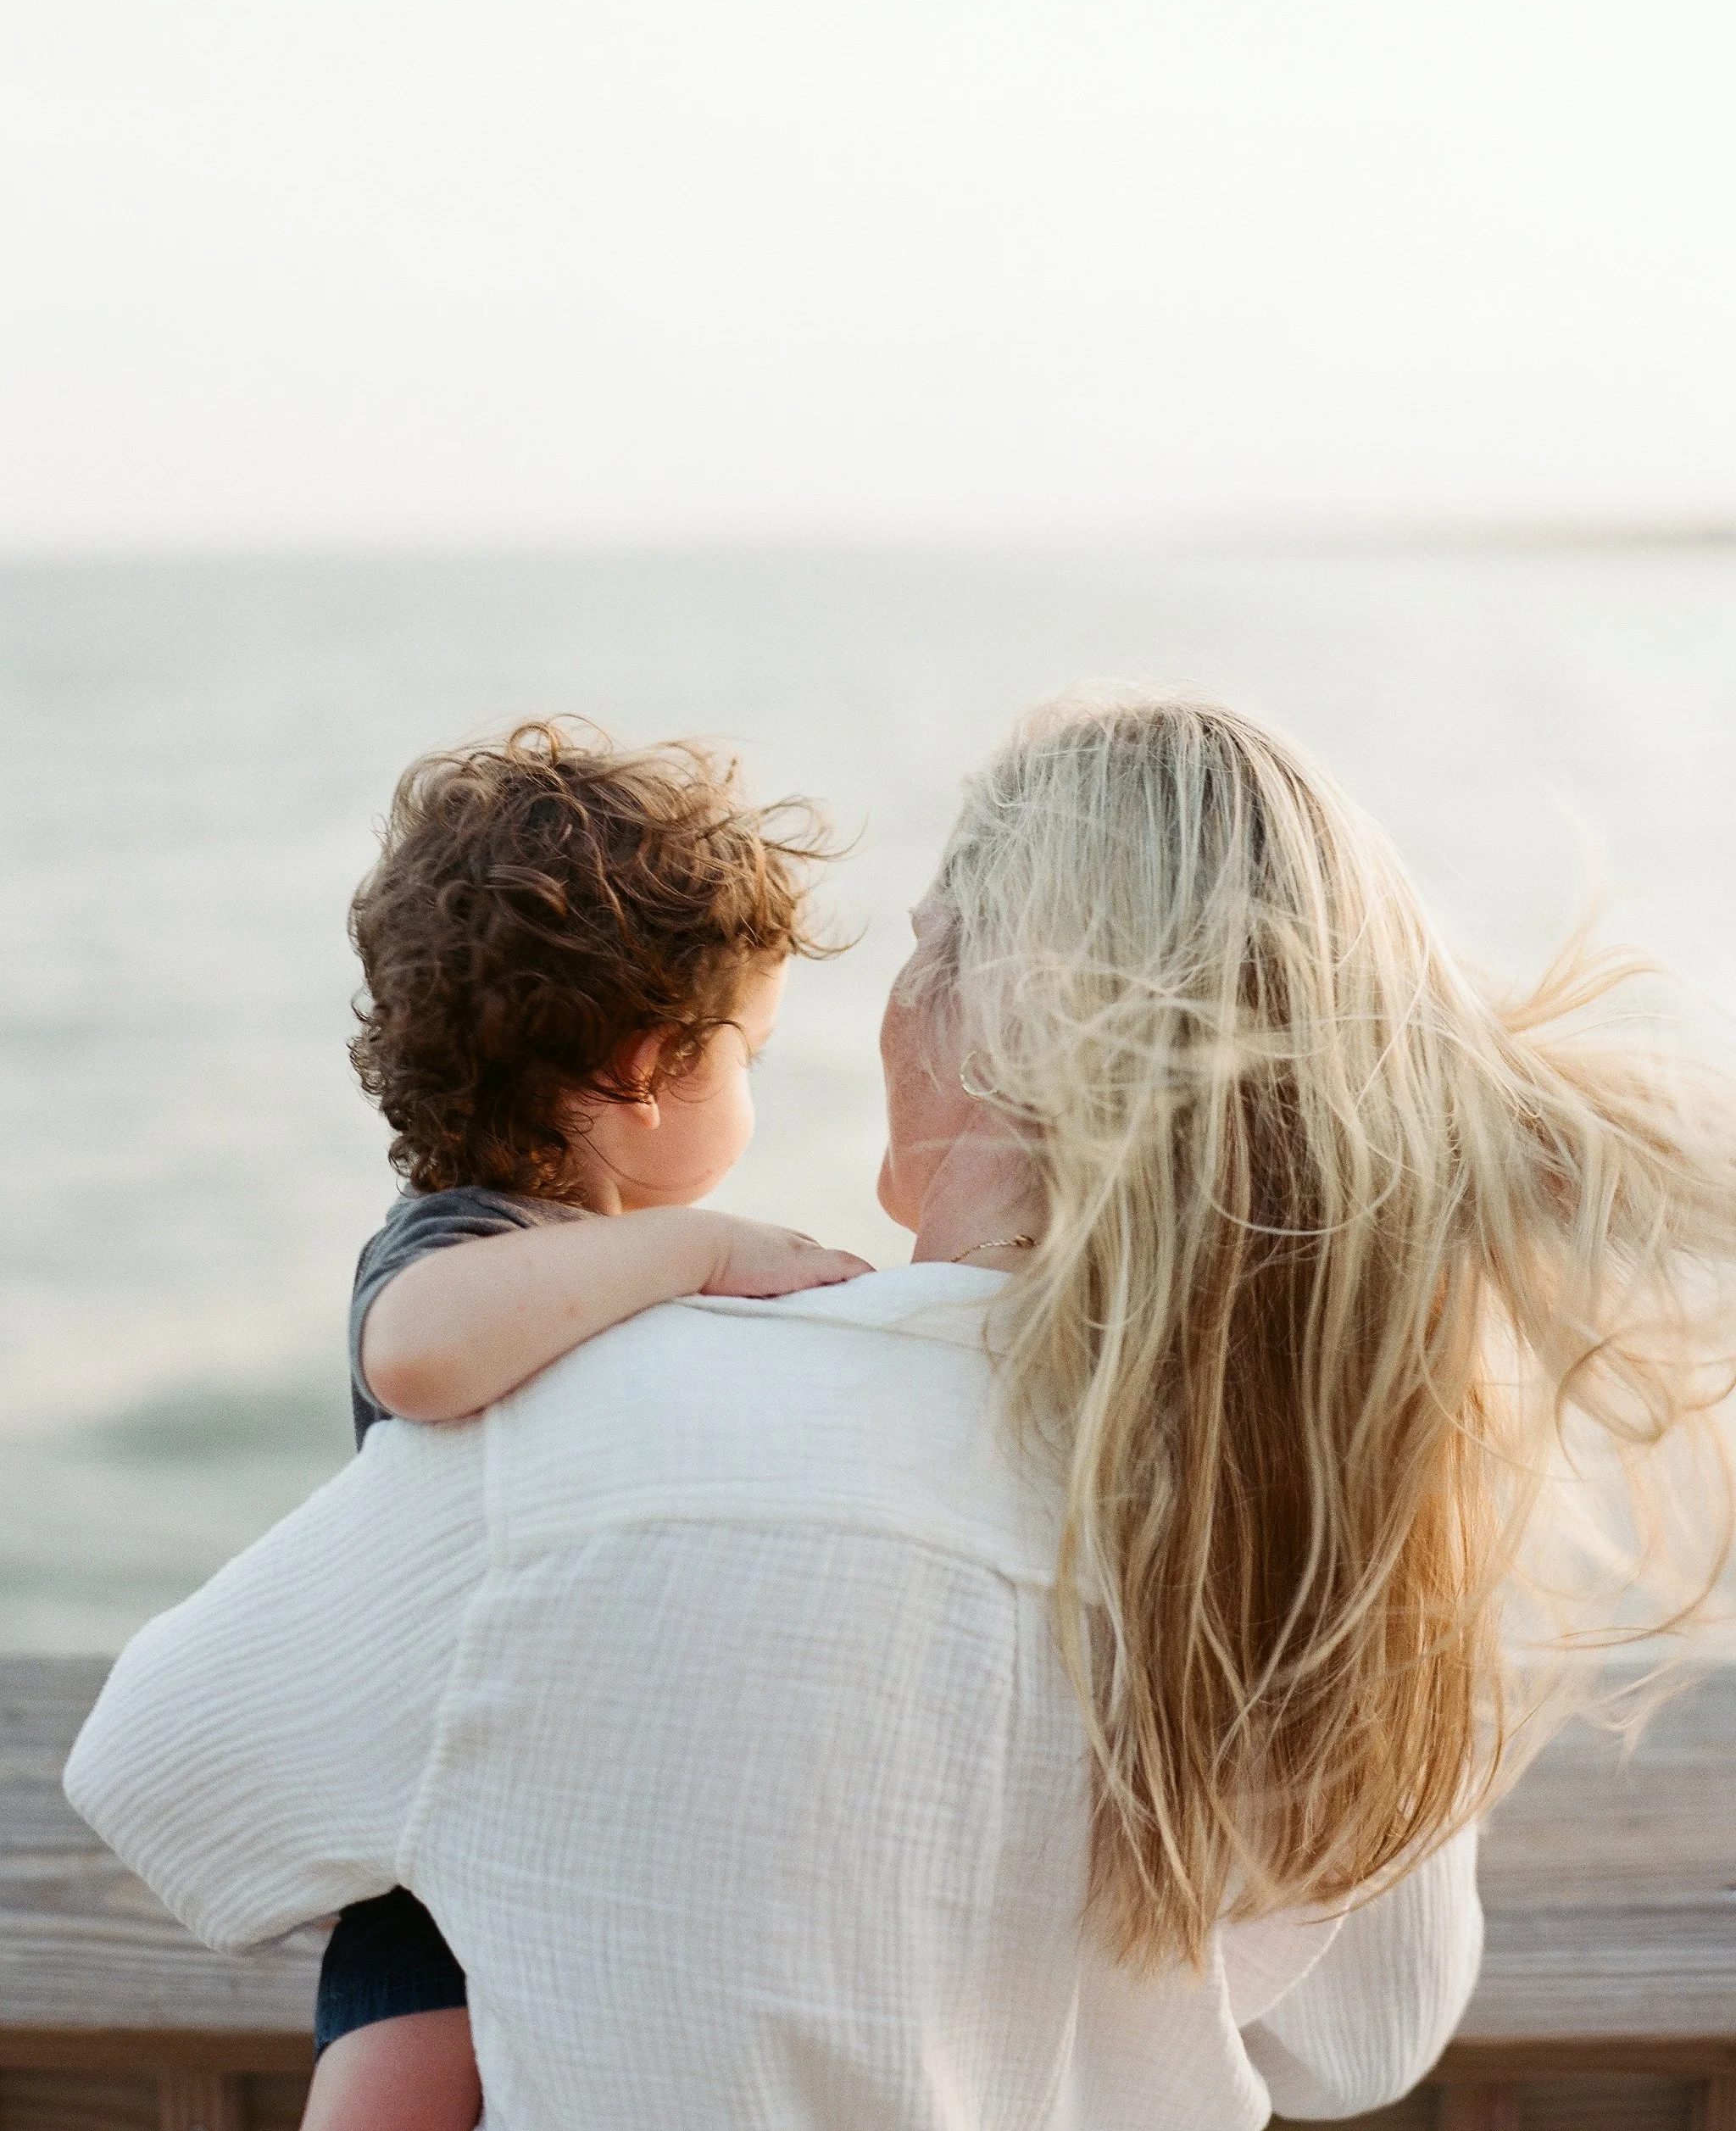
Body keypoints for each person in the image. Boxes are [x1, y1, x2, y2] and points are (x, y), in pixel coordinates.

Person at [66, 690, 1736, 2129]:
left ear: (978, 1024)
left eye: (924, 949)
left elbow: (165, 1775)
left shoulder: (592, 1431)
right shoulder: (1323, 1523)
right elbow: (1357, 2041)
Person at [308, 720, 871, 2129]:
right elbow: (420, 1353)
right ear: (642, 1065)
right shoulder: (457, 1246)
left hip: (582, 1815)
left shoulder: (565, 1255)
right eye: (748, 1051)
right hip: (439, 1835)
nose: (754, 1089)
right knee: (400, 2084)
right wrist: (699, 1253)